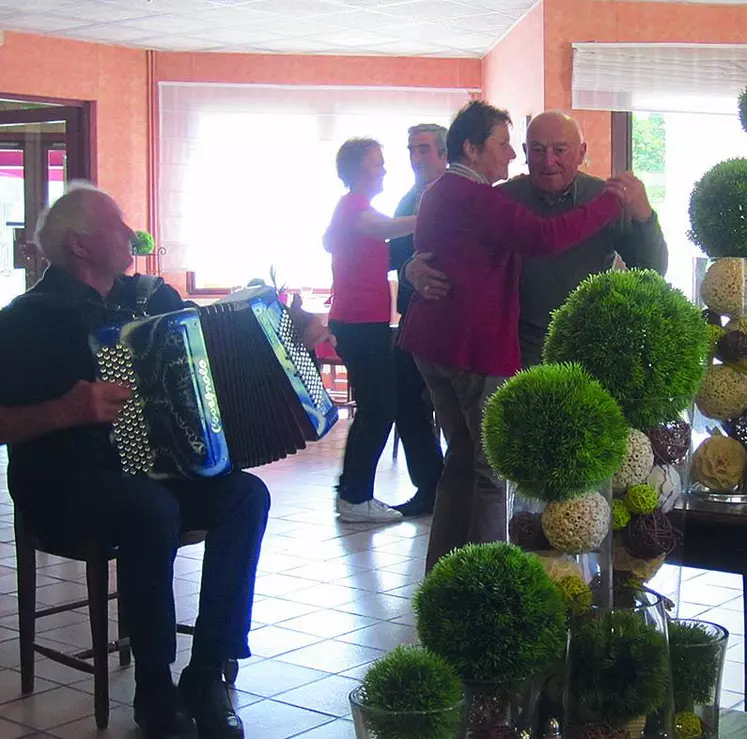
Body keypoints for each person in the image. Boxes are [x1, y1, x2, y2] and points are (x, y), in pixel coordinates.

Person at [0, 183, 270, 739]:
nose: (130, 232)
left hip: (151, 471)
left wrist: (280, 335)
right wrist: (65, 411)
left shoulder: (151, 299)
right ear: (79, 244)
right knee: (150, 509)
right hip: (60, 482)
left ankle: (206, 672)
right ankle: (154, 685)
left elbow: (206, 359)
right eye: (116, 223)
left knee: (245, 495)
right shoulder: (24, 320)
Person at [397, 101, 634, 572]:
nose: (514, 157)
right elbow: (544, 238)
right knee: (491, 470)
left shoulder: (440, 190)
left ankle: (445, 573)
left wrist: (410, 268)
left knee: (462, 460)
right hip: (472, 349)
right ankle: (487, 578)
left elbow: (430, 252)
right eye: (506, 145)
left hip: (434, 345)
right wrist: (608, 203)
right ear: (472, 147)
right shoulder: (479, 196)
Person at [407, 110, 668, 367]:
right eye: (538, 150)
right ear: (525, 151)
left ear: (582, 152)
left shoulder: (606, 196)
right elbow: (454, 248)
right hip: (517, 346)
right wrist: (412, 268)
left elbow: (652, 269)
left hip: (587, 344)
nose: (548, 161)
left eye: (561, 150)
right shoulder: (502, 197)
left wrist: (645, 217)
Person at [324, 138, 416, 523]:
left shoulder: (356, 208)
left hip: (366, 322)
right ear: (358, 170)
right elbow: (389, 228)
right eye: (377, 164)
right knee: (379, 409)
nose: (383, 170)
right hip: (359, 324)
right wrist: (437, 214)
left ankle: (352, 489)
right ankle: (355, 496)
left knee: (376, 408)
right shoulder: (354, 207)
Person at [387, 124, 448, 517]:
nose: (416, 156)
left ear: (444, 153)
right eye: (412, 149)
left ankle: (450, 490)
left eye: (424, 149)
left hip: (448, 318)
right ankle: (431, 485)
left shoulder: (452, 196)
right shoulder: (410, 197)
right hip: (413, 316)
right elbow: (394, 257)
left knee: (454, 408)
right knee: (407, 401)